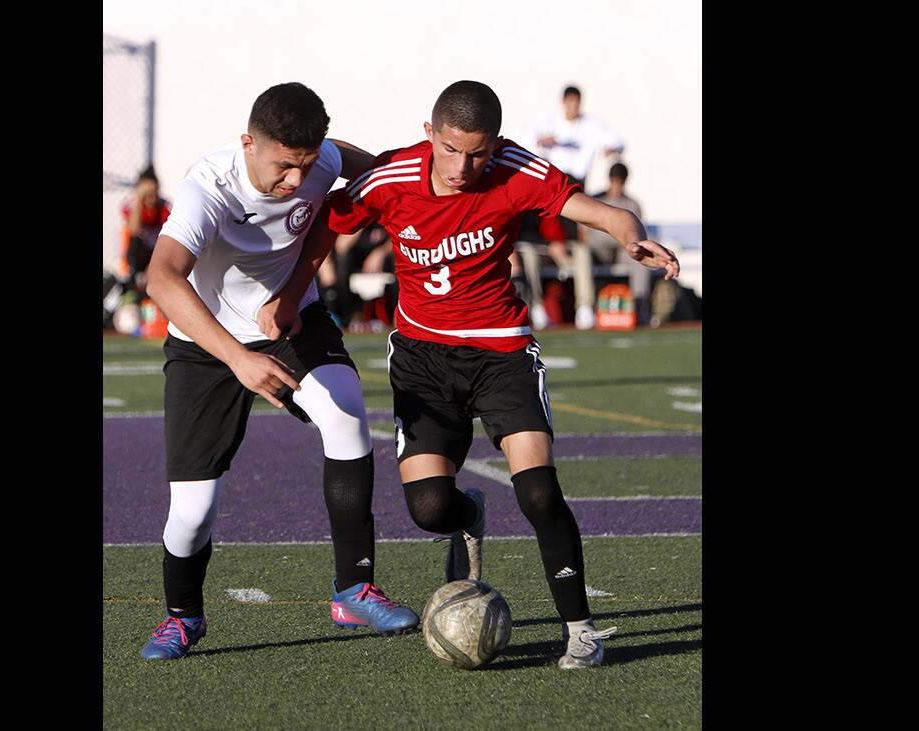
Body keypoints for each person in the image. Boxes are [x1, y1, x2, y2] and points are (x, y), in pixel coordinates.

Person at [260, 81, 678, 669]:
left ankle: (581, 630)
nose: (463, 166)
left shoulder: (516, 169)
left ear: (497, 144)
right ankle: (471, 515)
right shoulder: (391, 178)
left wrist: (632, 238)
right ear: (430, 135)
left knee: (538, 491)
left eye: (478, 153)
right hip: (423, 360)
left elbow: (605, 212)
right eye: (451, 150)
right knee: (429, 509)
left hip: (502, 354)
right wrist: (290, 293)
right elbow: (329, 224)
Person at [138, 82, 419, 661]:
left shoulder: (323, 159)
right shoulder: (207, 188)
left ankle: (353, 588)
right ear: (248, 143)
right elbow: (162, 279)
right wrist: (238, 359)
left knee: (346, 414)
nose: (295, 181)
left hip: (290, 319)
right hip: (205, 342)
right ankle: (183, 616)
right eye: (283, 166)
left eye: (306, 166)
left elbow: (388, 175)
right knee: (192, 513)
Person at [528, 85, 626, 329]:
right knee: (531, 253)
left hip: (575, 188)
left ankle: (585, 308)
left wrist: (612, 149)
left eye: (577, 103)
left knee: (581, 251)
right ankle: (537, 308)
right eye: (569, 102)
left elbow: (616, 141)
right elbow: (524, 138)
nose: (573, 107)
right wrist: (541, 140)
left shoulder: (591, 126)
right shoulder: (549, 122)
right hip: (553, 188)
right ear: (564, 103)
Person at [582, 162, 651, 313]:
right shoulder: (596, 200)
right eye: (615, 181)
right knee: (583, 254)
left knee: (641, 259)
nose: (617, 186)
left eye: (621, 182)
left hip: (622, 250)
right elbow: (584, 234)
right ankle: (587, 308)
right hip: (598, 252)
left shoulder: (632, 204)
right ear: (609, 179)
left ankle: (639, 307)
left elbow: (638, 235)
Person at [120, 166, 172, 300]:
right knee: (135, 239)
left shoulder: (164, 207)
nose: (152, 199)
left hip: (156, 253)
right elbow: (134, 229)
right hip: (137, 255)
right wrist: (139, 199)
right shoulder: (133, 205)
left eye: (154, 193)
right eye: (147, 195)